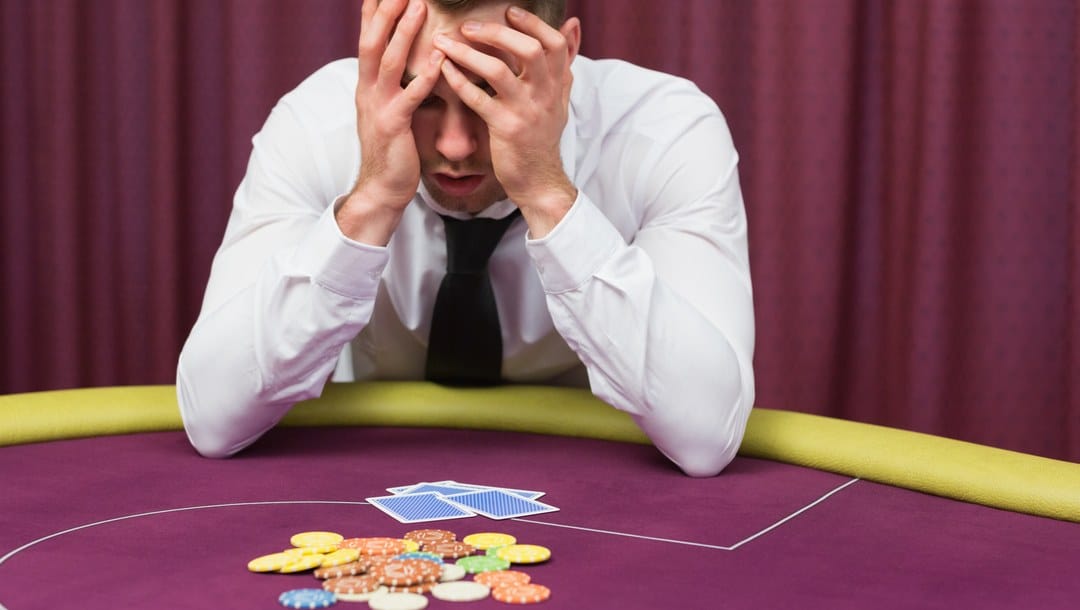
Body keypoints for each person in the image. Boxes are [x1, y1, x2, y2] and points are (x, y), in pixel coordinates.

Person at [176, 0, 755, 477]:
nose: (454, 146)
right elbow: (213, 418)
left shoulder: (665, 132)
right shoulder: (314, 126)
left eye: (490, 90)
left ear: (566, 55)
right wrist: (372, 198)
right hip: (369, 471)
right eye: (422, 96)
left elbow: (706, 433)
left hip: (602, 481)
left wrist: (547, 191)